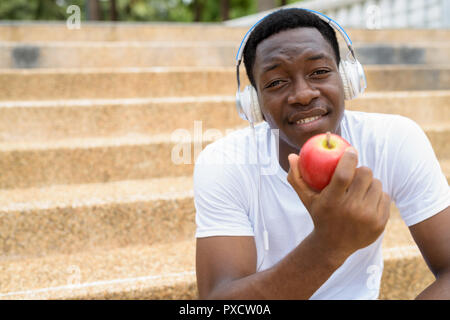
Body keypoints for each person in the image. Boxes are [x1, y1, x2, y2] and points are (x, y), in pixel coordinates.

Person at [194, 8, 450, 299]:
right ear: (255, 106)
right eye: (276, 82)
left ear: (347, 80)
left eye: (319, 72)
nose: (303, 94)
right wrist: (328, 246)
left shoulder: (395, 139)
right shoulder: (224, 163)